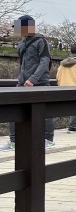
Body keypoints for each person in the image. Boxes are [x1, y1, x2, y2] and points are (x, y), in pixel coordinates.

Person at [0, 15, 55, 150]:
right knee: (14, 109)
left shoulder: (41, 41)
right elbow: (22, 63)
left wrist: (33, 79)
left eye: (19, 27)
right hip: (23, 82)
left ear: (29, 26)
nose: (17, 30)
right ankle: (14, 141)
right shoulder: (22, 42)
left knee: (45, 112)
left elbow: (44, 62)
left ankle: (48, 139)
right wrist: (23, 79)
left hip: (39, 82)